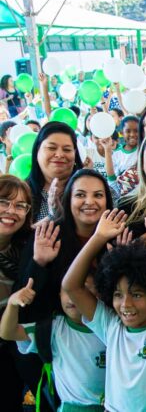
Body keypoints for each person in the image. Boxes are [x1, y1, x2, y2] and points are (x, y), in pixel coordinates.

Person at [61, 207, 146, 412]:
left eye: (136, 294)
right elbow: (71, 285)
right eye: (117, 294)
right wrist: (98, 237)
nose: (125, 304)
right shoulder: (110, 326)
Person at [18, 169, 115, 323]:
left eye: (98, 195)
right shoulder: (48, 234)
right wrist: (39, 262)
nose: (89, 201)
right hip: (58, 332)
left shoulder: (117, 237)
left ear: (107, 201)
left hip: (106, 328)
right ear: (68, 199)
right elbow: (22, 299)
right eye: (80, 195)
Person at [1, 278, 106, 411]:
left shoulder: (112, 326)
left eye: (82, 289)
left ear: (100, 294)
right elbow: (8, 332)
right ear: (59, 295)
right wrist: (12, 304)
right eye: (67, 290)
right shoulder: (54, 329)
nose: (72, 297)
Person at [0, 175, 33, 410]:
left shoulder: (25, 250)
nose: (11, 211)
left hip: (8, 352)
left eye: (20, 205)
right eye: (3, 202)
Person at [27, 122, 83, 222]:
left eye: (66, 149)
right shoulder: (21, 192)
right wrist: (53, 216)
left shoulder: (91, 187)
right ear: (37, 152)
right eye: (51, 148)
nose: (59, 154)